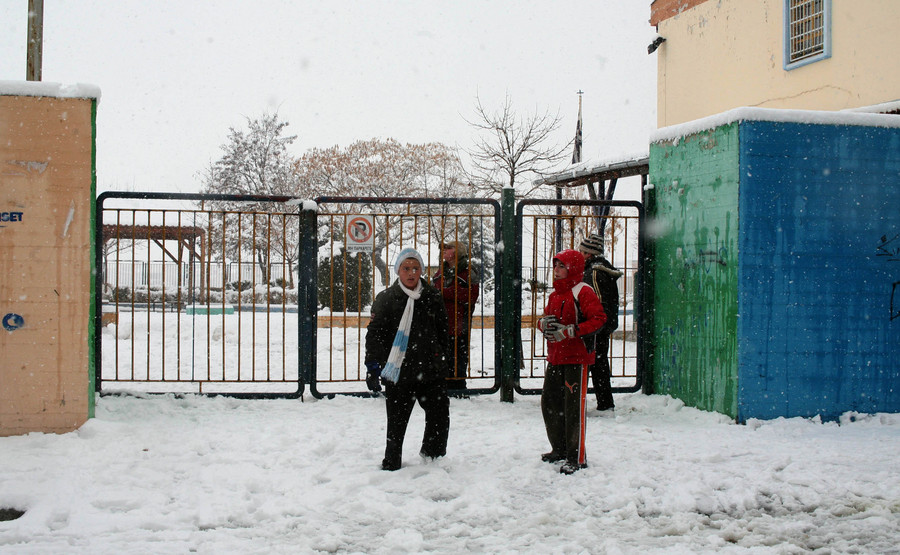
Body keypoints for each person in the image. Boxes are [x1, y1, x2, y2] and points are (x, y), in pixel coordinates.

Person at [365, 248, 453, 471]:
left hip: (429, 369)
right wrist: (373, 365)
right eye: (406, 268)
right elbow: (375, 334)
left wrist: (443, 359)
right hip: (399, 370)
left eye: (416, 268)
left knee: (439, 414)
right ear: (398, 271)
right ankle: (392, 461)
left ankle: (433, 457)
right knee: (396, 419)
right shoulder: (386, 299)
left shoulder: (432, 297)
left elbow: (443, 331)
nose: (411, 273)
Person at [536, 249, 606, 474]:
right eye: (555, 266)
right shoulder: (555, 294)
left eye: (561, 266)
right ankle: (560, 449)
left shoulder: (582, 291)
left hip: (576, 358)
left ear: (573, 268)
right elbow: (546, 317)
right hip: (556, 356)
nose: (556, 270)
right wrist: (543, 324)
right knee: (550, 402)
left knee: (573, 408)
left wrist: (573, 331)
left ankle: (576, 456)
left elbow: (599, 319)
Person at [578, 233, 624, 412]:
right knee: (599, 363)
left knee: (594, 362)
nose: (579, 254)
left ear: (589, 254)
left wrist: (592, 323)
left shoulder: (594, 273)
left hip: (596, 327)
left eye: (581, 251)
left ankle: (602, 403)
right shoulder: (601, 270)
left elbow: (596, 301)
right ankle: (605, 402)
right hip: (603, 326)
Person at [431, 240, 480, 391]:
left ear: (458, 252)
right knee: (442, 355)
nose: (445, 250)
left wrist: (445, 293)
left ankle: (458, 385)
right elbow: (434, 292)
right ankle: (443, 384)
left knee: (458, 356)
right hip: (441, 323)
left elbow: (471, 295)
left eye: (449, 248)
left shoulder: (469, 271)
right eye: (444, 248)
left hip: (460, 324)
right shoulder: (440, 271)